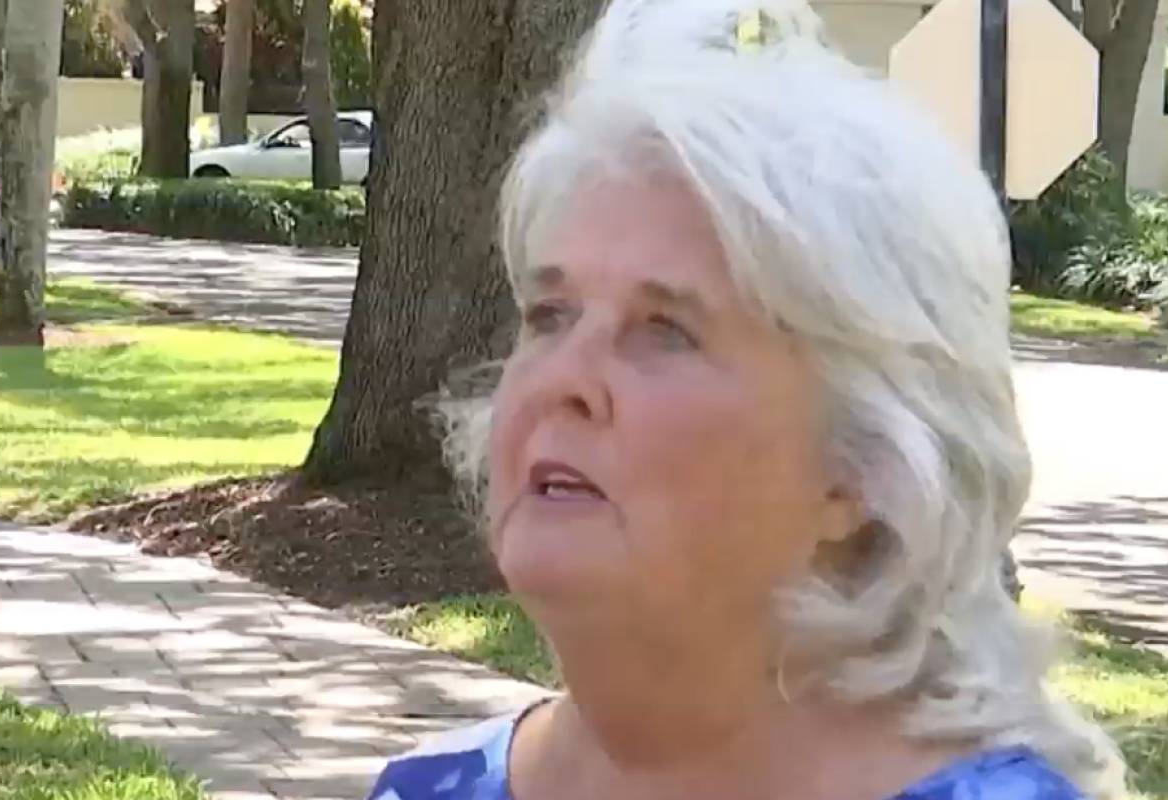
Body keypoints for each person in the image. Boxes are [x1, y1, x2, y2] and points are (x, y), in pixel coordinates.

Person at [368, 0, 1128, 797]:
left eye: (665, 330)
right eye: (549, 315)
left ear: (863, 465)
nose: (563, 378)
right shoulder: (427, 787)